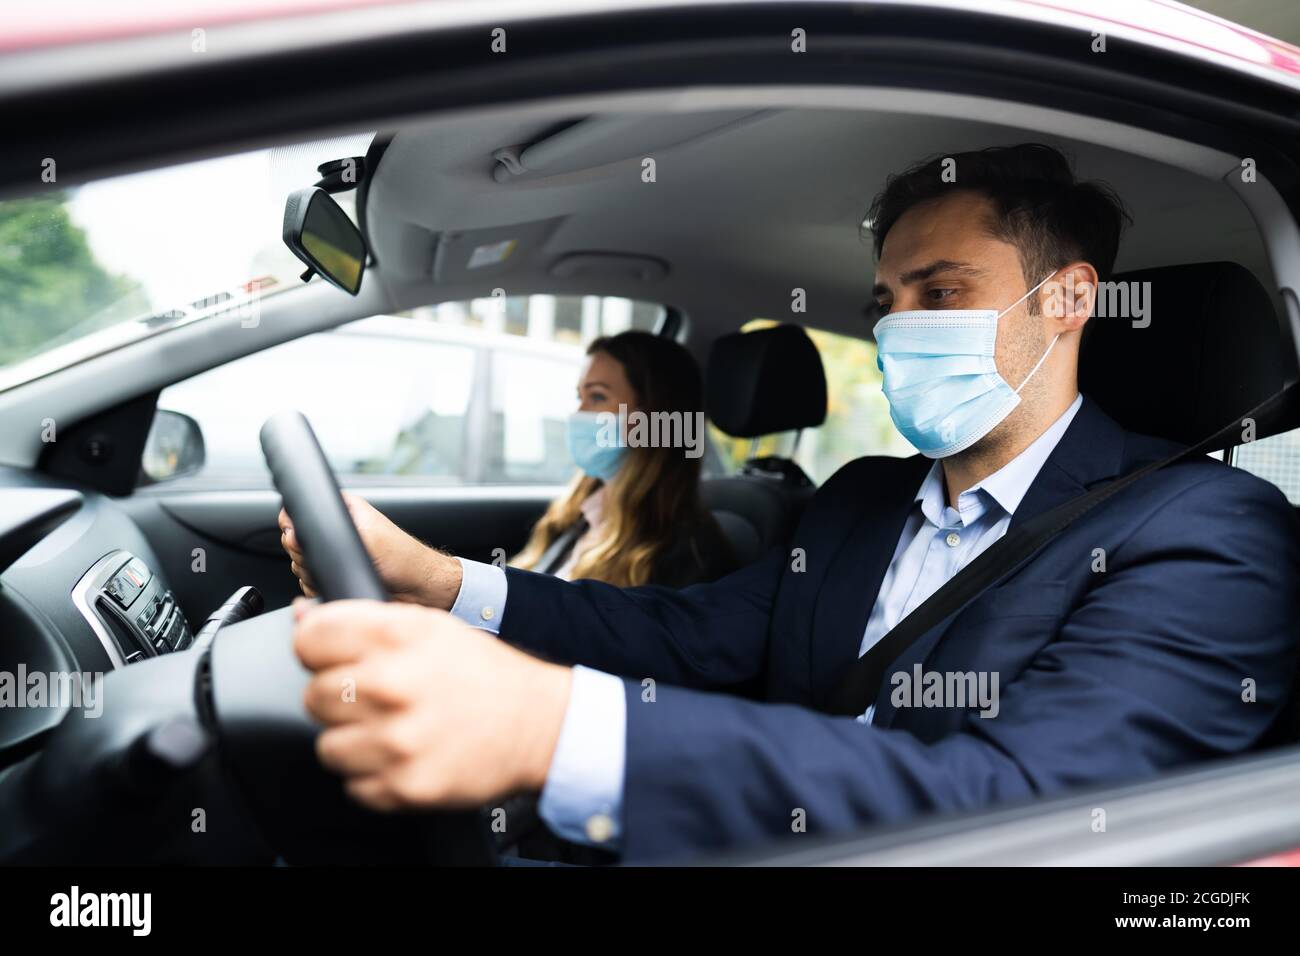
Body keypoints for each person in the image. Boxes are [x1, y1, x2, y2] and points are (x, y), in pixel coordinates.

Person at [282, 143, 1300, 863]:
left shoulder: (1207, 534)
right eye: (884, 301)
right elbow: (692, 633)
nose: (899, 327)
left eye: (939, 293)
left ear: (1068, 300)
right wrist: (445, 581)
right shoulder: (862, 497)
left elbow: (1031, 809)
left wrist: (554, 727)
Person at [282, 330, 737, 598]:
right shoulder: (582, 514)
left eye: (597, 397)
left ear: (653, 415)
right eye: (578, 397)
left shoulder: (688, 552)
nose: (577, 415)